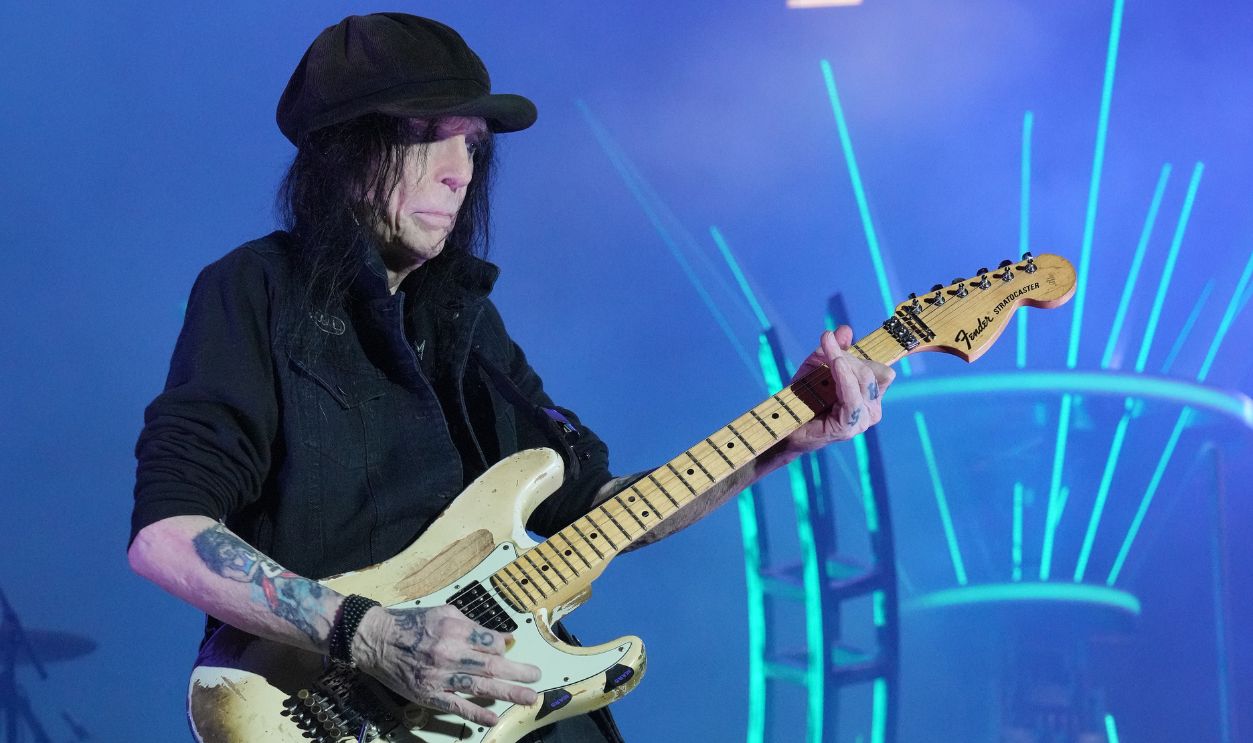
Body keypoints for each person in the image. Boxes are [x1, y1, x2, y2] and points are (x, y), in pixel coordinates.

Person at [127, 12, 894, 743]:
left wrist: (784, 434)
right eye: (429, 136)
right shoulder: (255, 290)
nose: (460, 173)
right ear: (345, 151)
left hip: (509, 703)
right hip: (328, 707)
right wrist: (369, 631)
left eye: (474, 144)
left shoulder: (467, 321)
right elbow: (168, 535)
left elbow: (597, 506)